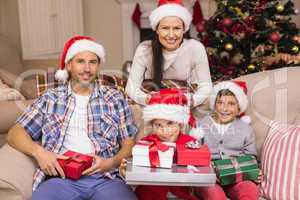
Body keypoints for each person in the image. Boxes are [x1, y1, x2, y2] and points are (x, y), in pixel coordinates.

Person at [7, 35, 138, 200]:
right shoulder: (50, 98)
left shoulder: (115, 98)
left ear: (98, 66)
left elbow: (128, 143)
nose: (87, 68)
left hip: (106, 178)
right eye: (80, 61)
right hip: (60, 179)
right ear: (69, 65)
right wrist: (39, 152)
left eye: (92, 62)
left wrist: (111, 162)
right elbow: (15, 132)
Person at [125, 0, 212, 107]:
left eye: (176, 28)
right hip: (152, 103)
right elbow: (131, 88)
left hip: (183, 103)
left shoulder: (195, 48)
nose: (171, 35)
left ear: (184, 29)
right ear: (156, 29)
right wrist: (147, 99)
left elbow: (206, 85)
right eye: (165, 28)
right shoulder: (144, 49)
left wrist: (191, 101)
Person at [120, 88, 199, 200]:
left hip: (180, 195)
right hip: (149, 195)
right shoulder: (146, 143)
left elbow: (199, 171)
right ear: (152, 126)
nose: (164, 130)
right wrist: (127, 173)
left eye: (170, 123)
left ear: (180, 124)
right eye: (158, 125)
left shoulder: (190, 143)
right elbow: (137, 171)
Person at [189, 81, 262, 200]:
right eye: (220, 103)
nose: (225, 108)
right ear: (214, 104)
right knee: (214, 195)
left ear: (239, 107)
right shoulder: (201, 125)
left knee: (250, 189)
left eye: (231, 104)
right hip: (209, 178)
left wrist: (252, 171)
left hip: (236, 178)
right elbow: (192, 154)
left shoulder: (246, 129)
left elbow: (251, 157)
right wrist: (210, 170)